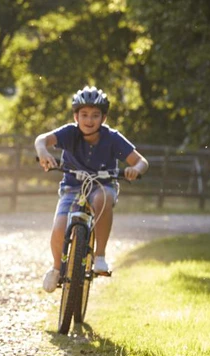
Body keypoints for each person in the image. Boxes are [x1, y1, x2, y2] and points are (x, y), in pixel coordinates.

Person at [35, 86, 149, 292]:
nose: (89, 120)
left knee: (102, 198)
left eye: (95, 115)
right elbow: (41, 139)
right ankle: (56, 268)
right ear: (75, 116)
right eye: (84, 115)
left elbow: (141, 161)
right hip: (72, 187)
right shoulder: (69, 132)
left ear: (103, 118)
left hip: (102, 185)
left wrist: (135, 169)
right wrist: (42, 151)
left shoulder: (112, 138)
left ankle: (100, 256)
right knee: (60, 227)